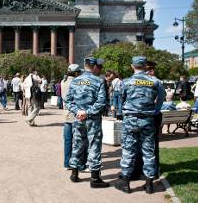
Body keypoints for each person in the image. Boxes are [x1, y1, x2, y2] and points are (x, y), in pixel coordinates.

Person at [115, 56, 164, 194]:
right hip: (147, 119)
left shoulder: (126, 82)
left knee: (128, 150)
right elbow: (160, 100)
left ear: (132, 66)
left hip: (130, 119)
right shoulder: (156, 82)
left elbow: (122, 99)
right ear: (145, 66)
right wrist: (154, 112)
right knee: (148, 151)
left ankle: (126, 184)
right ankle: (149, 185)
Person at [65, 57, 109, 188]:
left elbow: (68, 101)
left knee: (77, 144)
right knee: (94, 145)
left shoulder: (75, 81)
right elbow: (101, 102)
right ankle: (95, 178)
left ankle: (74, 173)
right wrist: (88, 112)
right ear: (94, 66)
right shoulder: (99, 81)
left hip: (78, 118)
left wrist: (78, 111)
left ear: (84, 66)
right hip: (92, 119)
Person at [61, 64, 83, 169]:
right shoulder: (77, 83)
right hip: (75, 114)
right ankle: (78, 163)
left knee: (67, 141)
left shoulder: (63, 81)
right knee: (79, 141)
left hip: (66, 114)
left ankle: (67, 163)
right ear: (76, 73)